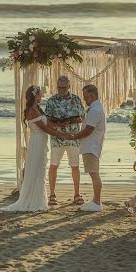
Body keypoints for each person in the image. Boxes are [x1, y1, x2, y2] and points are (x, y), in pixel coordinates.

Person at [2, 85, 69, 212]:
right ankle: (33, 201)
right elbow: (44, 128)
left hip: (41, 141)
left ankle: (38, 200)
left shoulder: (37, 109)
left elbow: (47, 123)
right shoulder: (31, 111)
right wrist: (61, 135)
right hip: (37, 142)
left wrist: (60, 124)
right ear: (35, 96)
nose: (41, 96)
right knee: (36, 169)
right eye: (39, 94)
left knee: (41, 170)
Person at [44, 75, 85, 206]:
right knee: (54, 166)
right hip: (57, 138)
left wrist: (73, 120)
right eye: (59, 87)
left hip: (73, 137)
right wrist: (58, 124)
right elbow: (47, 121)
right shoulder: (51, 101)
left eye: (63, 87)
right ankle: (52, 195)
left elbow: (83, 117)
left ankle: (77, 194)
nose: (61, 90)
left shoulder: (76, 99)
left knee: (75, 167)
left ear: (69, 86)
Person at [69, 84, 106, 212]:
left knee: (94, 174)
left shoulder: (95, 110)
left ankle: (97, 202)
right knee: (94, 173)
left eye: (85, 96)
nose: (84, 99)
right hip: (92, 145)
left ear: (92, 95)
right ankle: (96, 200)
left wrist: (74, 137)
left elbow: (88, 130)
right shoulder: (95, 108)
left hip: (91, 146)